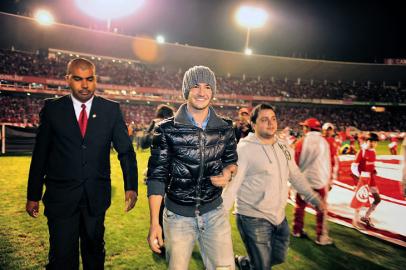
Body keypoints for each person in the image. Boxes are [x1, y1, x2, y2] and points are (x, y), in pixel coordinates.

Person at [26, 58, 138, 269]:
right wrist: (33, 195)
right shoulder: (52, 109)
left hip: (95, 199)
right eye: (78, 79)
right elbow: (40, 154)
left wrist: (130, 186)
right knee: (61, 259)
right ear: (67, 79)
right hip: (60, 198)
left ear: (96, 80)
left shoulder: (111, 110)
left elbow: (126, 151)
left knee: (94, 255)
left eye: (90, 79)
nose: (85, 85)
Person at [146, 65, 238, 270]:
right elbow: (156, 177)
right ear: (186, 89)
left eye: (207, 87)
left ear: (213, 91)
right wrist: (154, 223)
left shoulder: (225, 128)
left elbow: (232, 162)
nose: (202, 92)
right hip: (177, 216)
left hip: (214, 212)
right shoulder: (166, 129)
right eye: (196, 86)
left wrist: (227, 173)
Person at [222, 104, 325, 270]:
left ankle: (245, 263)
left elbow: (296, 176)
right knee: (263, 266)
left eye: (273, 118)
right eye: (264, 120)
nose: (271, 123)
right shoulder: (244, 149)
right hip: (252, 217)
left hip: (279, 217)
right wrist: (219, 216)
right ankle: (252, 264)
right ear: (253, 125)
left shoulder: (283, 146)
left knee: (277, 257)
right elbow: (232, 186)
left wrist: (314, 198)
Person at [292, 118, 333, 245]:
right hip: (320, 181)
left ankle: (297, 230)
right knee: (321, 209)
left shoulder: (301, 142)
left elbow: (295, 163)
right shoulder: (324, 143)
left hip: (304, 181)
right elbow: (328, 163)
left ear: (308, 128)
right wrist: (328, 180)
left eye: (304, 127)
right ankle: (321, 237)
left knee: (300, 206)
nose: (303, 129)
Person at [351, 132, 381, 228]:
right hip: (363, 180)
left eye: (375, 142)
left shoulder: (373, 151)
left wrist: (373, 170)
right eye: (371, 141)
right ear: (367, 141)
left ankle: (366, 217)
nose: (373, 143)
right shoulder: (362, 151)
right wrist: (359, 178)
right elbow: (353, 166)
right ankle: (355, 221)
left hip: (371, 180)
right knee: (360, 200)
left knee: (377, 199)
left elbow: (370, 165)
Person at [322, 122, 339, 187]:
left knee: (328, 188)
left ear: (332, 131)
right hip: (321, 168)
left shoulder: (333, 141)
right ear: (323, 130)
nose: (328, 132)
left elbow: (335, 156)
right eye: (326, 130)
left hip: (330, 169)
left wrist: (335, 170)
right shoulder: (320, 139)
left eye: (330, 130)